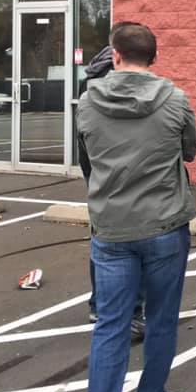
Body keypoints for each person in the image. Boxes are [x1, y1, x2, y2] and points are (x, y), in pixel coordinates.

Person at [77, 22, 196, 392]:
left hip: (111, 228)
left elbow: (86, 159)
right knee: (162, 320)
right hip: (165, 224)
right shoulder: (176, 99)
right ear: (154, 57)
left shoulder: (87, 103)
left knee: (110, 327)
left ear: (115, 56)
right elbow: (190, 151)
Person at [78, 41, 145, 339]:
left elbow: (84, 148)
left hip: (99, 180)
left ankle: (100, 305)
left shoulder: (88, 90)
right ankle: (128, 311)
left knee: (102, 243)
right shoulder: (113, 91)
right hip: (120, 183)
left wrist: (94, 180)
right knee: (126, 246)